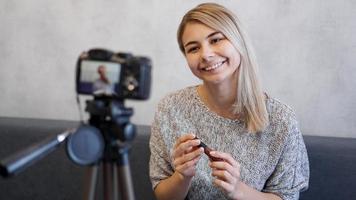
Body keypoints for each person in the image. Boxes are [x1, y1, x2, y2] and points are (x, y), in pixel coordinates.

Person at [149, 3, 309, 200]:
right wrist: (181, 176)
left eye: (216, 40)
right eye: (193, 48)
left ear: (238, 41)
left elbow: (286, 197)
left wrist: (237, 189)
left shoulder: (281, 118)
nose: (206, 54)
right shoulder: (169, 109)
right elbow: (162, 195)